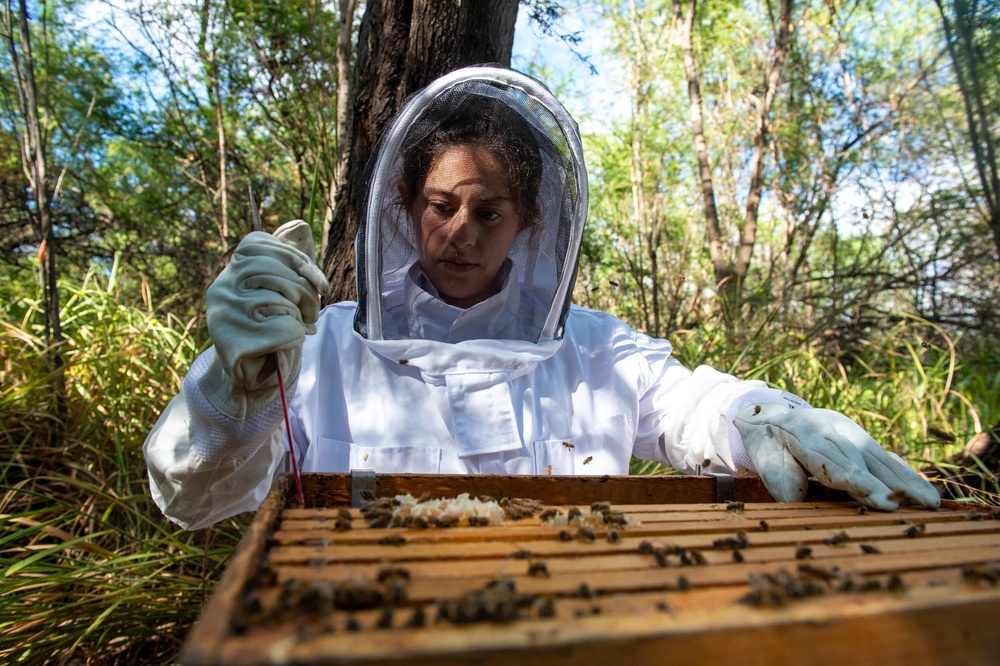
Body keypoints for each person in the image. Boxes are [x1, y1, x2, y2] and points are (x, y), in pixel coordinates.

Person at [143, 66, 939, 530]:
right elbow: (189, 497)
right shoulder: (324, 347)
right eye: (441, 206)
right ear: (407, 208)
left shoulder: (592, 349)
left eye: (489, 212)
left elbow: (692, 404)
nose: (462, 232)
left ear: (528, 223)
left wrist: (764, 416)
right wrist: (234, 383)